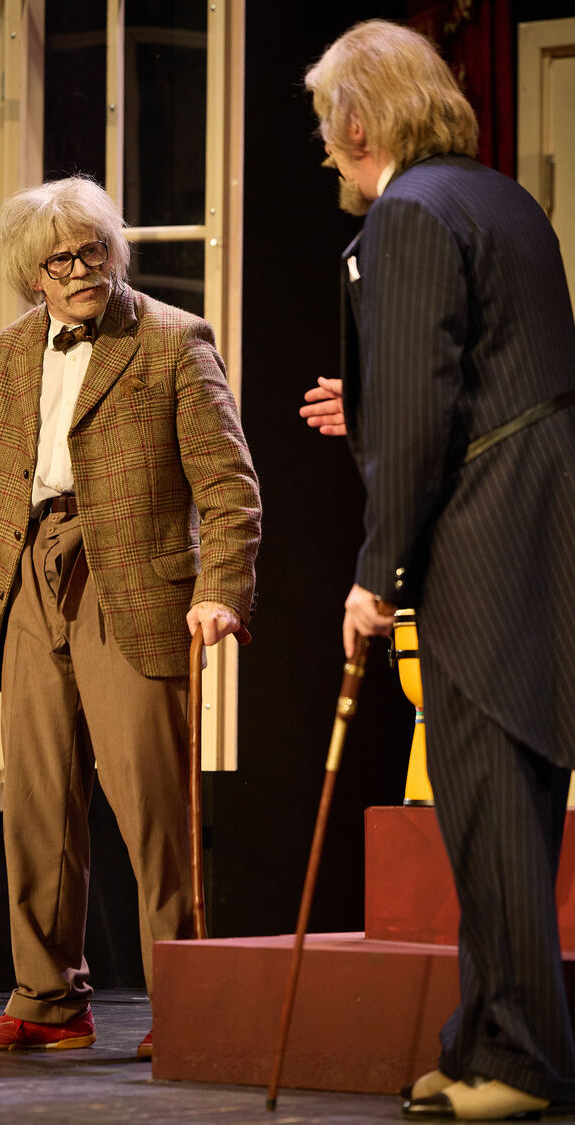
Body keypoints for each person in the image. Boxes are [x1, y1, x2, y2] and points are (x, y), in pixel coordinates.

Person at [302, 20, 575, 1121]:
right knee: (505, 801)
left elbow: (426, 413)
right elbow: (480, 372)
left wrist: (376, 571)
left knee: (491, 800)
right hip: (538, 528)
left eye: (327, 123)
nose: (325, 147)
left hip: (484, 541)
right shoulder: (501, 198)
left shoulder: (409, 211)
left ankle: (522, 1061)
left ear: (359, 121)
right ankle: (485, 1041)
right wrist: (370, 406)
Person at [0, 174, 261, 1057]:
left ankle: (187, 1002)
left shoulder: (172, 340)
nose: (80, 271)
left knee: (153, 809)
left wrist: (220, 589)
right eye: (60, 260)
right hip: (28, 579)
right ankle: (47, 1001)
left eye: (93, 250)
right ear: (30, 274)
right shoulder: (8, 353)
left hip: (132, 581)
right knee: (36, 804)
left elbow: (229, 487)